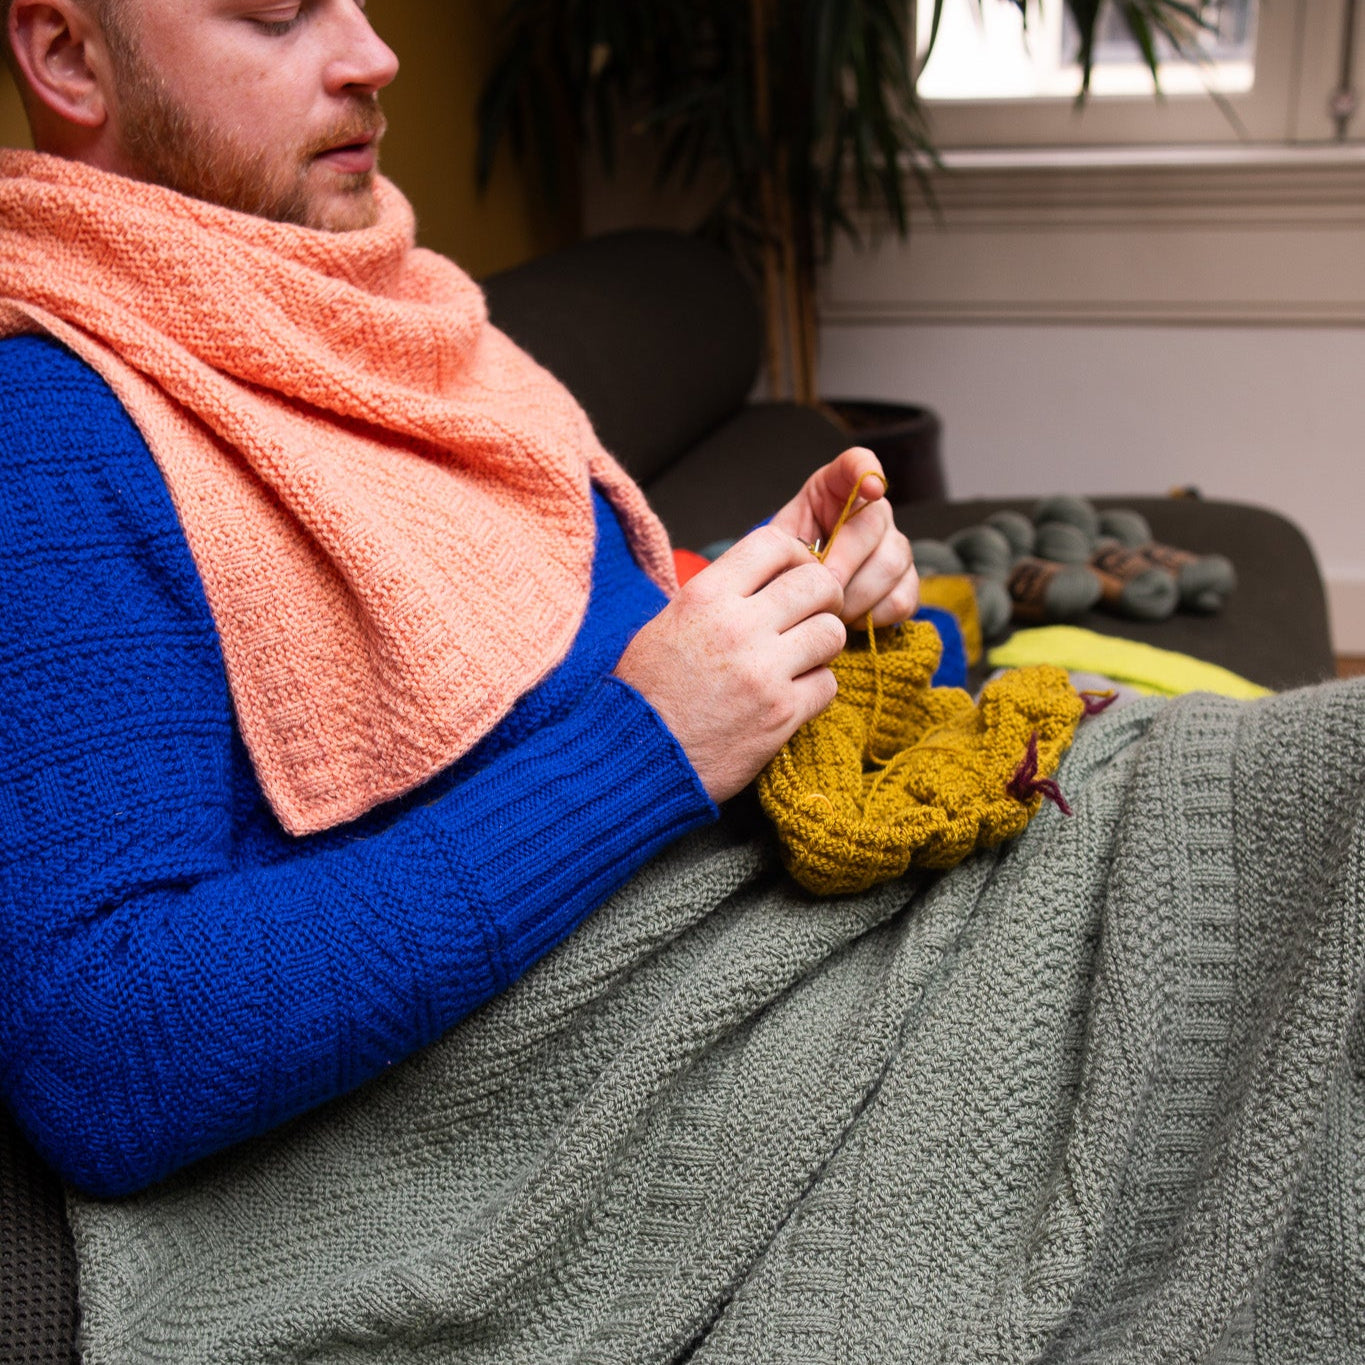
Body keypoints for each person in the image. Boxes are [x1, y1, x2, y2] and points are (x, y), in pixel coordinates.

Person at [0, 0, 917, 1196]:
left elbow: (595, 644)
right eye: (277, 13)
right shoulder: (53, 431)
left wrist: (805, 609)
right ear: (68, 57)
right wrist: (648, 748)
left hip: (793, 897)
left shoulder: (411, 320)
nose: (374, 56)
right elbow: (102, 1054)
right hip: (652, 1073)